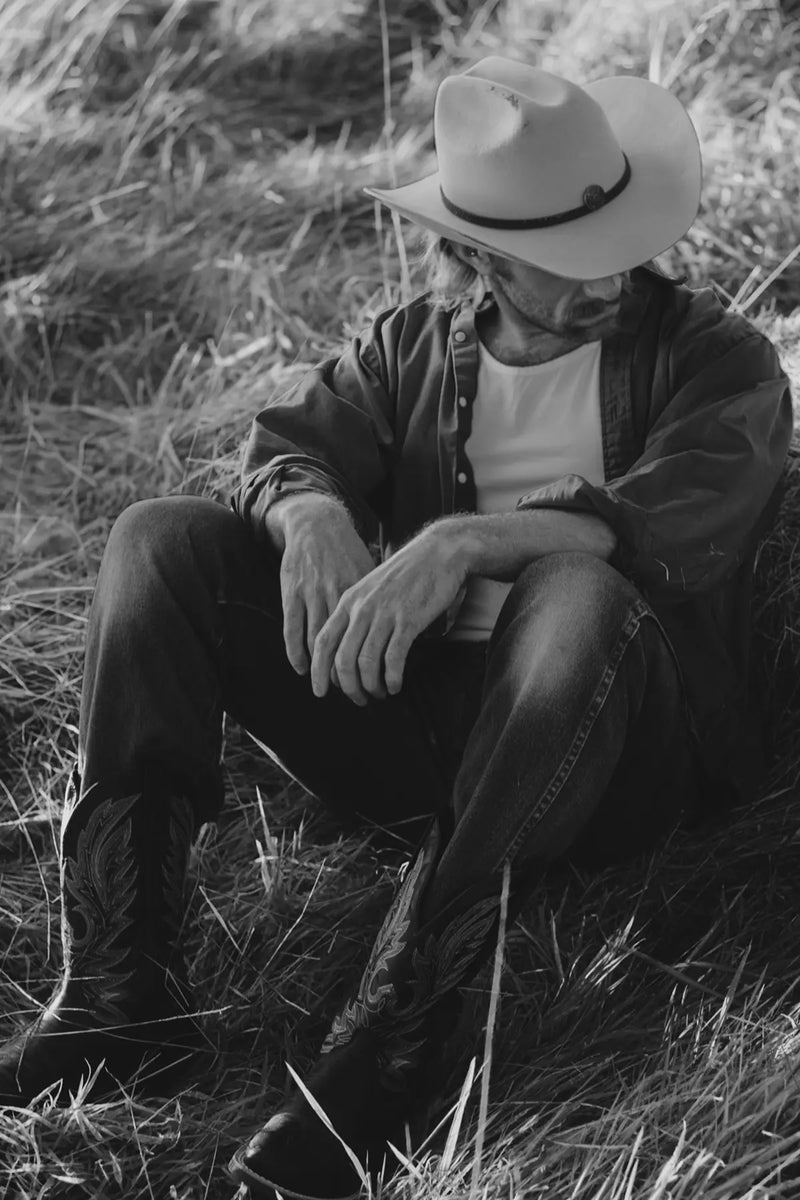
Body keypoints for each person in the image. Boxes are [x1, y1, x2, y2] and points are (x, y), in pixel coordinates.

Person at [0, 55, 791, 1200]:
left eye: (615, 235)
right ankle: (125, 997)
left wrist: (460, 543)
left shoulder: (716, 357)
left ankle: (389, 1046)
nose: (609, 272)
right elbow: (288, 444)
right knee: (157, 538)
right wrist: (311, 511)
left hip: (607, 745)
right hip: (412, 730)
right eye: (566, 260)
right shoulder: (410, 342)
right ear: (473, 255)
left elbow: (668, 524)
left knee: (572, 593)